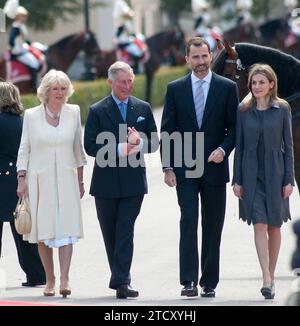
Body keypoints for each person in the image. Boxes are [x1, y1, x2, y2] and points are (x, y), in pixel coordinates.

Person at [160, 37, 239, 298]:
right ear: (187, 59)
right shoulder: (175, 89)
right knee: (189, 219)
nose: (201, 62)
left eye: (204, 56)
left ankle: (209, 282)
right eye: (195, 57)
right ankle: (188, 281)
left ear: (210, 56)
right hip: (185, 169)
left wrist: (223, 150)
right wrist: (167, 167)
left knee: (213, 224)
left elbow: (234, 129)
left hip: (215, 168)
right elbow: (168, 130)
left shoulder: (227, 88)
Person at [84, 61, 159, 299]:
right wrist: (119, 148)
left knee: (125, 229)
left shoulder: (143, 108)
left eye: (130, 81)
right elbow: (90, 146)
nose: (128, 86)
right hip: (105, 184)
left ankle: (122, 281)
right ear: (110, 83)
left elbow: (155, 143)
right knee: (111, 233)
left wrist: (140, 143)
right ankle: (120, 279)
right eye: (122, 82)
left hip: (133, 183)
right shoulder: (97, 110)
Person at [16, 69, 87, 298]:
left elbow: (78, 149)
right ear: (45, 91)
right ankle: (50, 279)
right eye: (55, 88)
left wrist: (80, 179)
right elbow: (24, 149)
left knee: (66, 229)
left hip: (67, 179)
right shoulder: (31, 115)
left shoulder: (73, 112)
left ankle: (65, 278)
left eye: (63, 88)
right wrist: (21, 179)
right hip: (39, 181)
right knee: (43, 232)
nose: (60, 92)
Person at [232, 64, 294, 300]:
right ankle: (266, 278)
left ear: (271, 84)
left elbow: (288, 147)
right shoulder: (243, 110)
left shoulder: (282, 109)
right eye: (253, 82)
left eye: (261, 82)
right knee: (259, 223)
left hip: (276, 174)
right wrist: (237, 180)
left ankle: (272, 274)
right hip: (250, 173)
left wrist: (289, 179)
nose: (256, 86)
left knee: (274, 226)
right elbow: (239, 146)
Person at [0, 80, 46, 287]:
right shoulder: (24, 121)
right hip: (20, 178)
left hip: (1, 177)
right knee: (23, 230)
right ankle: (37, 274)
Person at [4, 1, 45, 90]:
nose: (25, 18)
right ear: (19, 16)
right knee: (34, 64)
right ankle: (34, 86)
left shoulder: (20, 26)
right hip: (18, 52)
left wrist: (31, 45)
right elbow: (11, 41)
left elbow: (25, 40)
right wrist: (16, 48)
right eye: (23, 16)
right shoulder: (16, 27)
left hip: (22, 49)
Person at [113, 0, 146, 73]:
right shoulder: (121, 26)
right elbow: (118, 36)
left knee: (139, 50)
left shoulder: (127, 23)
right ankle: (136, 69)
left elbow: (130, 34)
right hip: (124, 44)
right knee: (137, 52)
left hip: (127, 43)